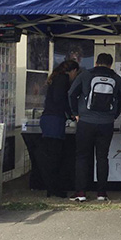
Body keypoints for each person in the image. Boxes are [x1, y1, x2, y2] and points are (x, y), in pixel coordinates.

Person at [68, 53, 121, 202]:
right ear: (110, 64)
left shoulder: (85, 75)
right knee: (102, 157)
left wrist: (75, 113)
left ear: (96, 62)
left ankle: (81, 192)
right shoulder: (116, 78)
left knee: (82, 157)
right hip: (106, 124)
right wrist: (114, 115)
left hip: (86, 122)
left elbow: (71, 94)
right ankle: (101, 193)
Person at [38, 60, 79, 198]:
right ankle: (54, 188)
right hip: (54, 120)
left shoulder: (56, 78)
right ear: (72, 71)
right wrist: (71, 114)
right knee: (54, 156)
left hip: (49, 119)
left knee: (51, 155)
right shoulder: (63, 79)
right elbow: (60, 100)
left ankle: (51, 187)